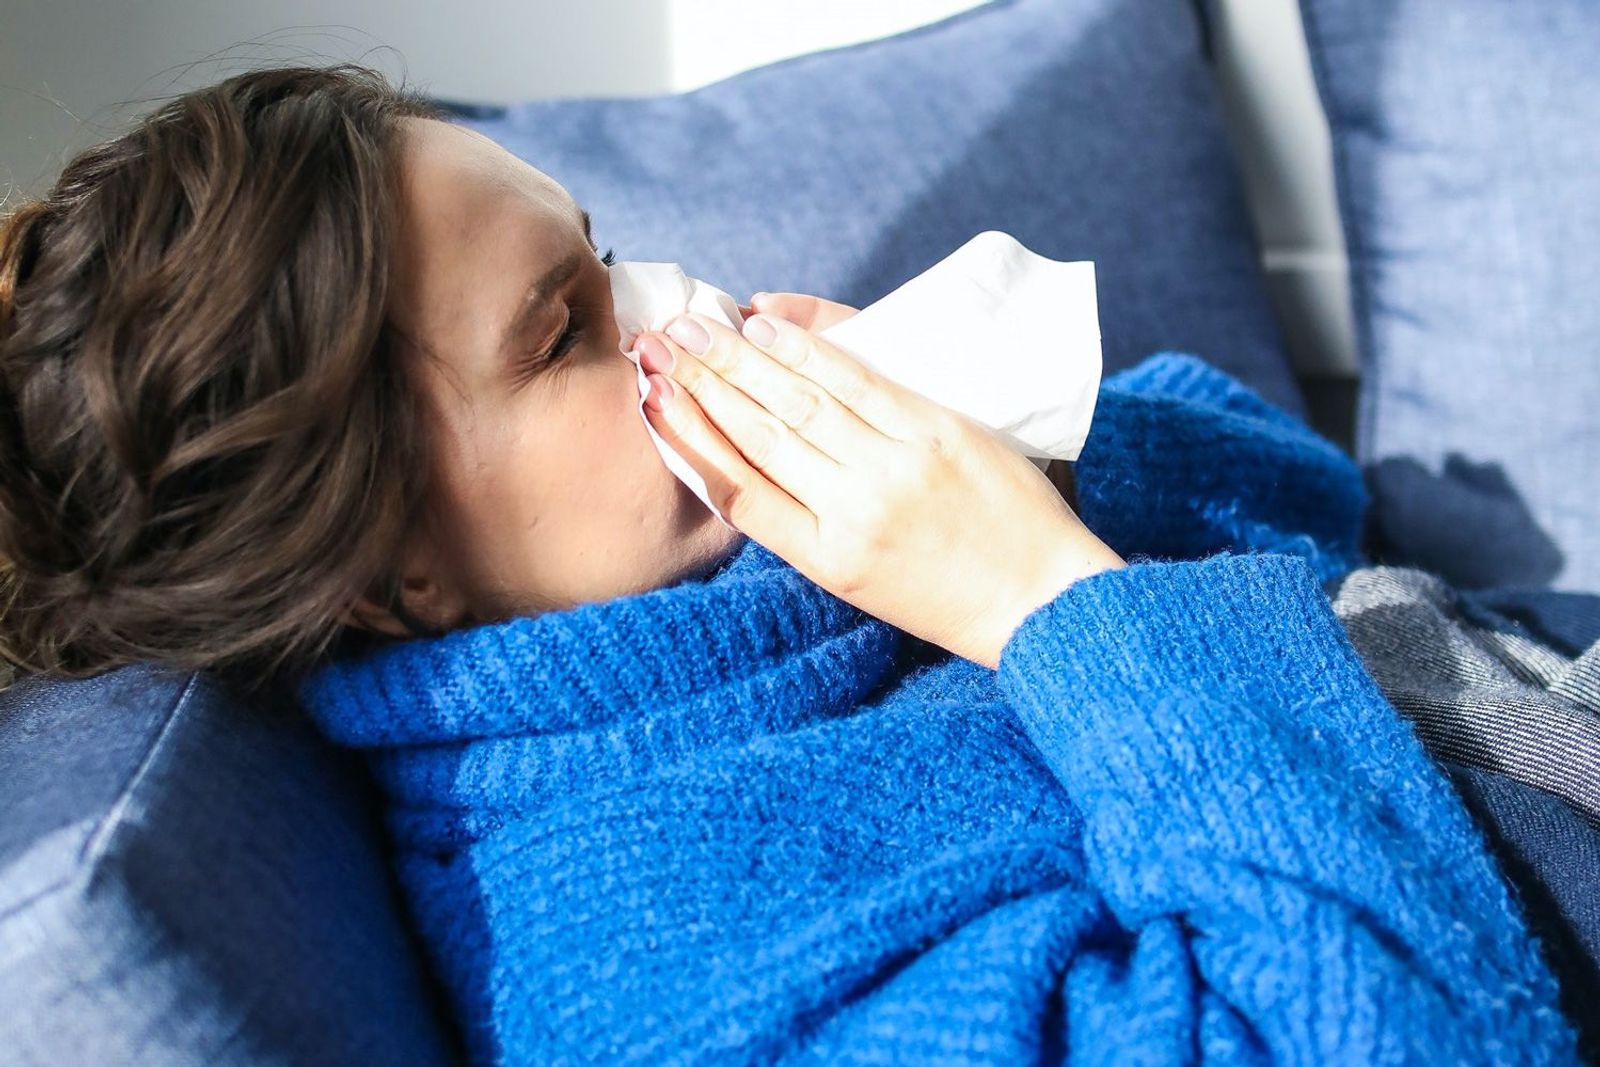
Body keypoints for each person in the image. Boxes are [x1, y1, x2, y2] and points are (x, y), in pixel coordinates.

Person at [0, 65, 1585, 1062]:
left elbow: (1315, 511)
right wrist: (1044, 604)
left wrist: (1011, 457)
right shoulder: (651, 960)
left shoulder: (749, 572)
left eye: (606, 249)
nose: (676, 303)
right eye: (567, 327)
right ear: (388, 573)